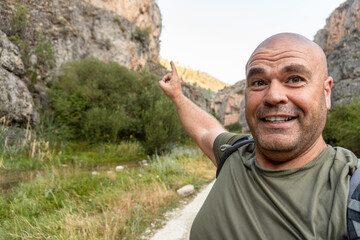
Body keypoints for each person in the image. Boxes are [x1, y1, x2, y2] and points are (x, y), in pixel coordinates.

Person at [159, 33, 358, 239]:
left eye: (295, 79)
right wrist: (177, 96)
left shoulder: (351, 190)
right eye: (258, 82)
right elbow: (206, 130)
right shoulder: (235, 151)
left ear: (326, 93)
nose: (273, 96)